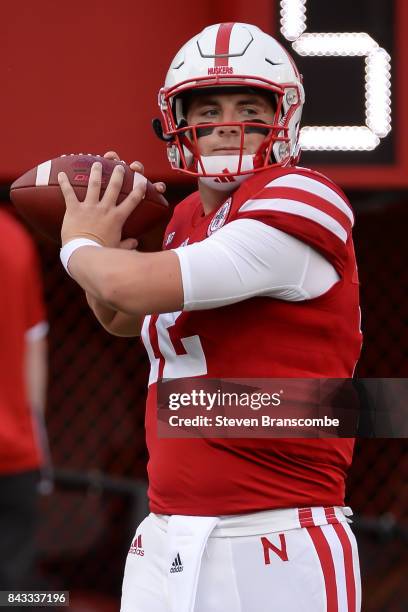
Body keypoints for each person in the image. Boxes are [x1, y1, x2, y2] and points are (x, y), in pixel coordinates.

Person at [57, 23, 362, 612]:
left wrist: (81, 247)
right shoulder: (185, 221)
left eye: (249, 104)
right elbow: (123, 314)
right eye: (209, 105)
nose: (227, 121)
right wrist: (108, 247)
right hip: (168, 533)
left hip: (275, 534)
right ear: (176, 121)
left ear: (285, 115)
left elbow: (134, 285)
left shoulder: (301, 196)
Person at [0, 207, 49, 595]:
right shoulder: (15, 237)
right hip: (15, 445)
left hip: (16, 449)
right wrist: (33, 429)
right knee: (16, 592)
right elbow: (35, 344)